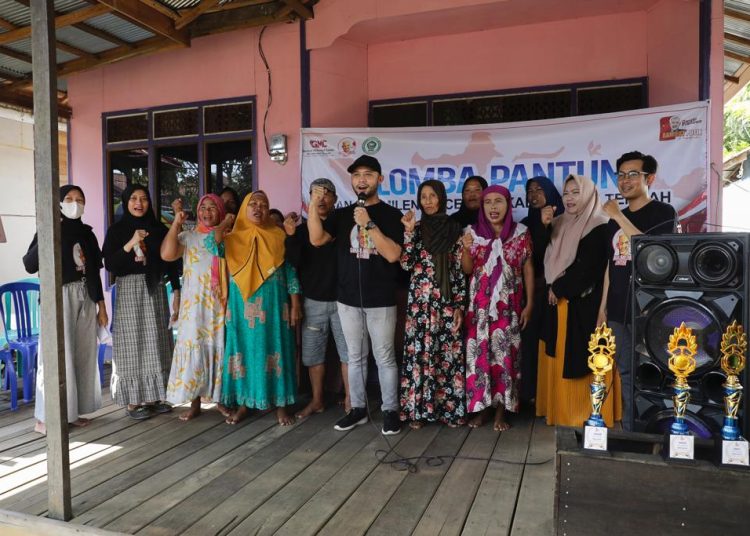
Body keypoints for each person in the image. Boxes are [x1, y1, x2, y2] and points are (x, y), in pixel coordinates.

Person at [307, 154, 405, 435]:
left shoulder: (390, 215)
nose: (362, 180)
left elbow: (393, 254)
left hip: (381, 299)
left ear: (380, 179)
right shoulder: (340, 215)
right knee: (355, 356)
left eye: (368, 174)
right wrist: (314, 204)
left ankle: (390, 411)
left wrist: (368, 224)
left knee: (384, 357)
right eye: (357, 175)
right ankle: (358, 409)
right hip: (347, 299)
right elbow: (315, 239)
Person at [598, 151, 677, 431]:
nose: (625, 180)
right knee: (627, 372)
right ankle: (632, 433)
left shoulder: (663, 213)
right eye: (621, 174)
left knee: (653, 372)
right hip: (619, 307)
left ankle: (657, 430)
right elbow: (611, 265)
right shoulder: (612, 223)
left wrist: (618, 215)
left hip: (649, 309)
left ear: (650, 178)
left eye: (633, 174)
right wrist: (602, 309)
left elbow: (649, 250)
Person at [537, 175, 620, 427]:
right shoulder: (559, 222)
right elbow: (542, 257)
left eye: (575, 192)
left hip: (582, 304)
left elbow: (591, 268)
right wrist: (544, 227)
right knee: (558, 353)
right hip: (558, 304)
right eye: (566, 193)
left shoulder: (600, 224)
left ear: (588, 194)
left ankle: (583, 413)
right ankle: (559, 410)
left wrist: (560, 287)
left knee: (582, 357)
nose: (570, 198)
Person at [23, 185, 107, 434]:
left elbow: (94, 271)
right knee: (55, 357)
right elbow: (29, 264)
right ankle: (45, 418)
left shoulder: (87, 234)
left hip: (86, 297)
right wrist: (51, 229)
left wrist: (101, 305)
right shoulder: (49, 229)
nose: (74, 203)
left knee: (81, 355)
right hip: (58, 296)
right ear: (59, 203)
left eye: (80, 199)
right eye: (69, 199)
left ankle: (71, 413)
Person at [218, 190, 302, 426]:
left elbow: (291, 271)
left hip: (275, 308)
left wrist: (295, 303)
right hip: (242, 310)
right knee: (245, 352)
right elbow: (210, 244)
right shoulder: (231, 238)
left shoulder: (279, 236)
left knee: (277, 351)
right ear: (244, 208)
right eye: (252, 204)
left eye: (263, 204)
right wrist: (226, 221)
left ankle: (281, 405)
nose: (258, 208)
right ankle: (245, 402)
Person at [102, 185, 181, 420]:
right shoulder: (116, 231)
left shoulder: (158, 228)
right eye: (134, 199)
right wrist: (131, 242)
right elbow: (111, 265)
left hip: (155, 287)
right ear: (126, 202)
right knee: (131, 340)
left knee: (157, 338)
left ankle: (156, 396)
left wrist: (176, 289)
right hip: (128, 289)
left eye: (144, 199)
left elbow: (170, 261)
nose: (139, 203)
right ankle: (133, 401)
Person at [462, 185, 533, 431]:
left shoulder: (520, 233)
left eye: (498, 201)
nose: (493, 207)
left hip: (508, 306)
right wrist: (466, 247)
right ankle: (481, 409)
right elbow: (468, 269)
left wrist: (530, 304)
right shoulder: (471, 232)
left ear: (508, 204)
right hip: (479, 308)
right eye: (488, 202)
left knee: (505, 358)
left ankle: (501, 412)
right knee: (479, 357)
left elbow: (528, 269)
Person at [161, 194, 235, 421]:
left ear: (221, 212)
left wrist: (224, 227)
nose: (207, 212)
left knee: (220, 344)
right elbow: (167, 253)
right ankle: (195, 402)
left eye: (213, 208)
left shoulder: (229, 237)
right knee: (195, 345)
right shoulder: (188, 237)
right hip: (194, 305)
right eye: (204, 207)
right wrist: (176, 221)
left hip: (220, 302)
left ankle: (221, 400)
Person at [400, 179, 466, 428]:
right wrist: (407, 232)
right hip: (420, 302)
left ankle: (448, 411)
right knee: (420, 354)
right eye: (423, 196)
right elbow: (406, 264)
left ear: (441, 198)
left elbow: (458, 269)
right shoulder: (416, 229)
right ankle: (418, 412)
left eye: (432, 196)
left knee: (446, 355)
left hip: (446, 302)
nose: (427, 201)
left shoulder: (455, 229)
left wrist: (459, 304)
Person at [284, 178, 351, 418]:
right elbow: (294, 263)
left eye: (326, 194)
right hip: (313, 301)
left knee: (350, 354)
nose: (321, 198)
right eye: (316, 194)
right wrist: (290, 236)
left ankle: (351, 401)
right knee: (314, 356)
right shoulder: (300, 232)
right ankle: (317, 400)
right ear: (309, 199)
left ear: (335, 199)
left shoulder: (344, 226)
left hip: (345, 302)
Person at [519, 177, 564, 403]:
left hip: (559, 293)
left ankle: (552, 397)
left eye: (540, 190)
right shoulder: (525, 225)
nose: (534, 194)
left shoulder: (565, 221)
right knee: (529, 344)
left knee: (554, 342)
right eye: (530, 191)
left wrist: (549, 226)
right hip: (532, 293)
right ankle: (531, 396)